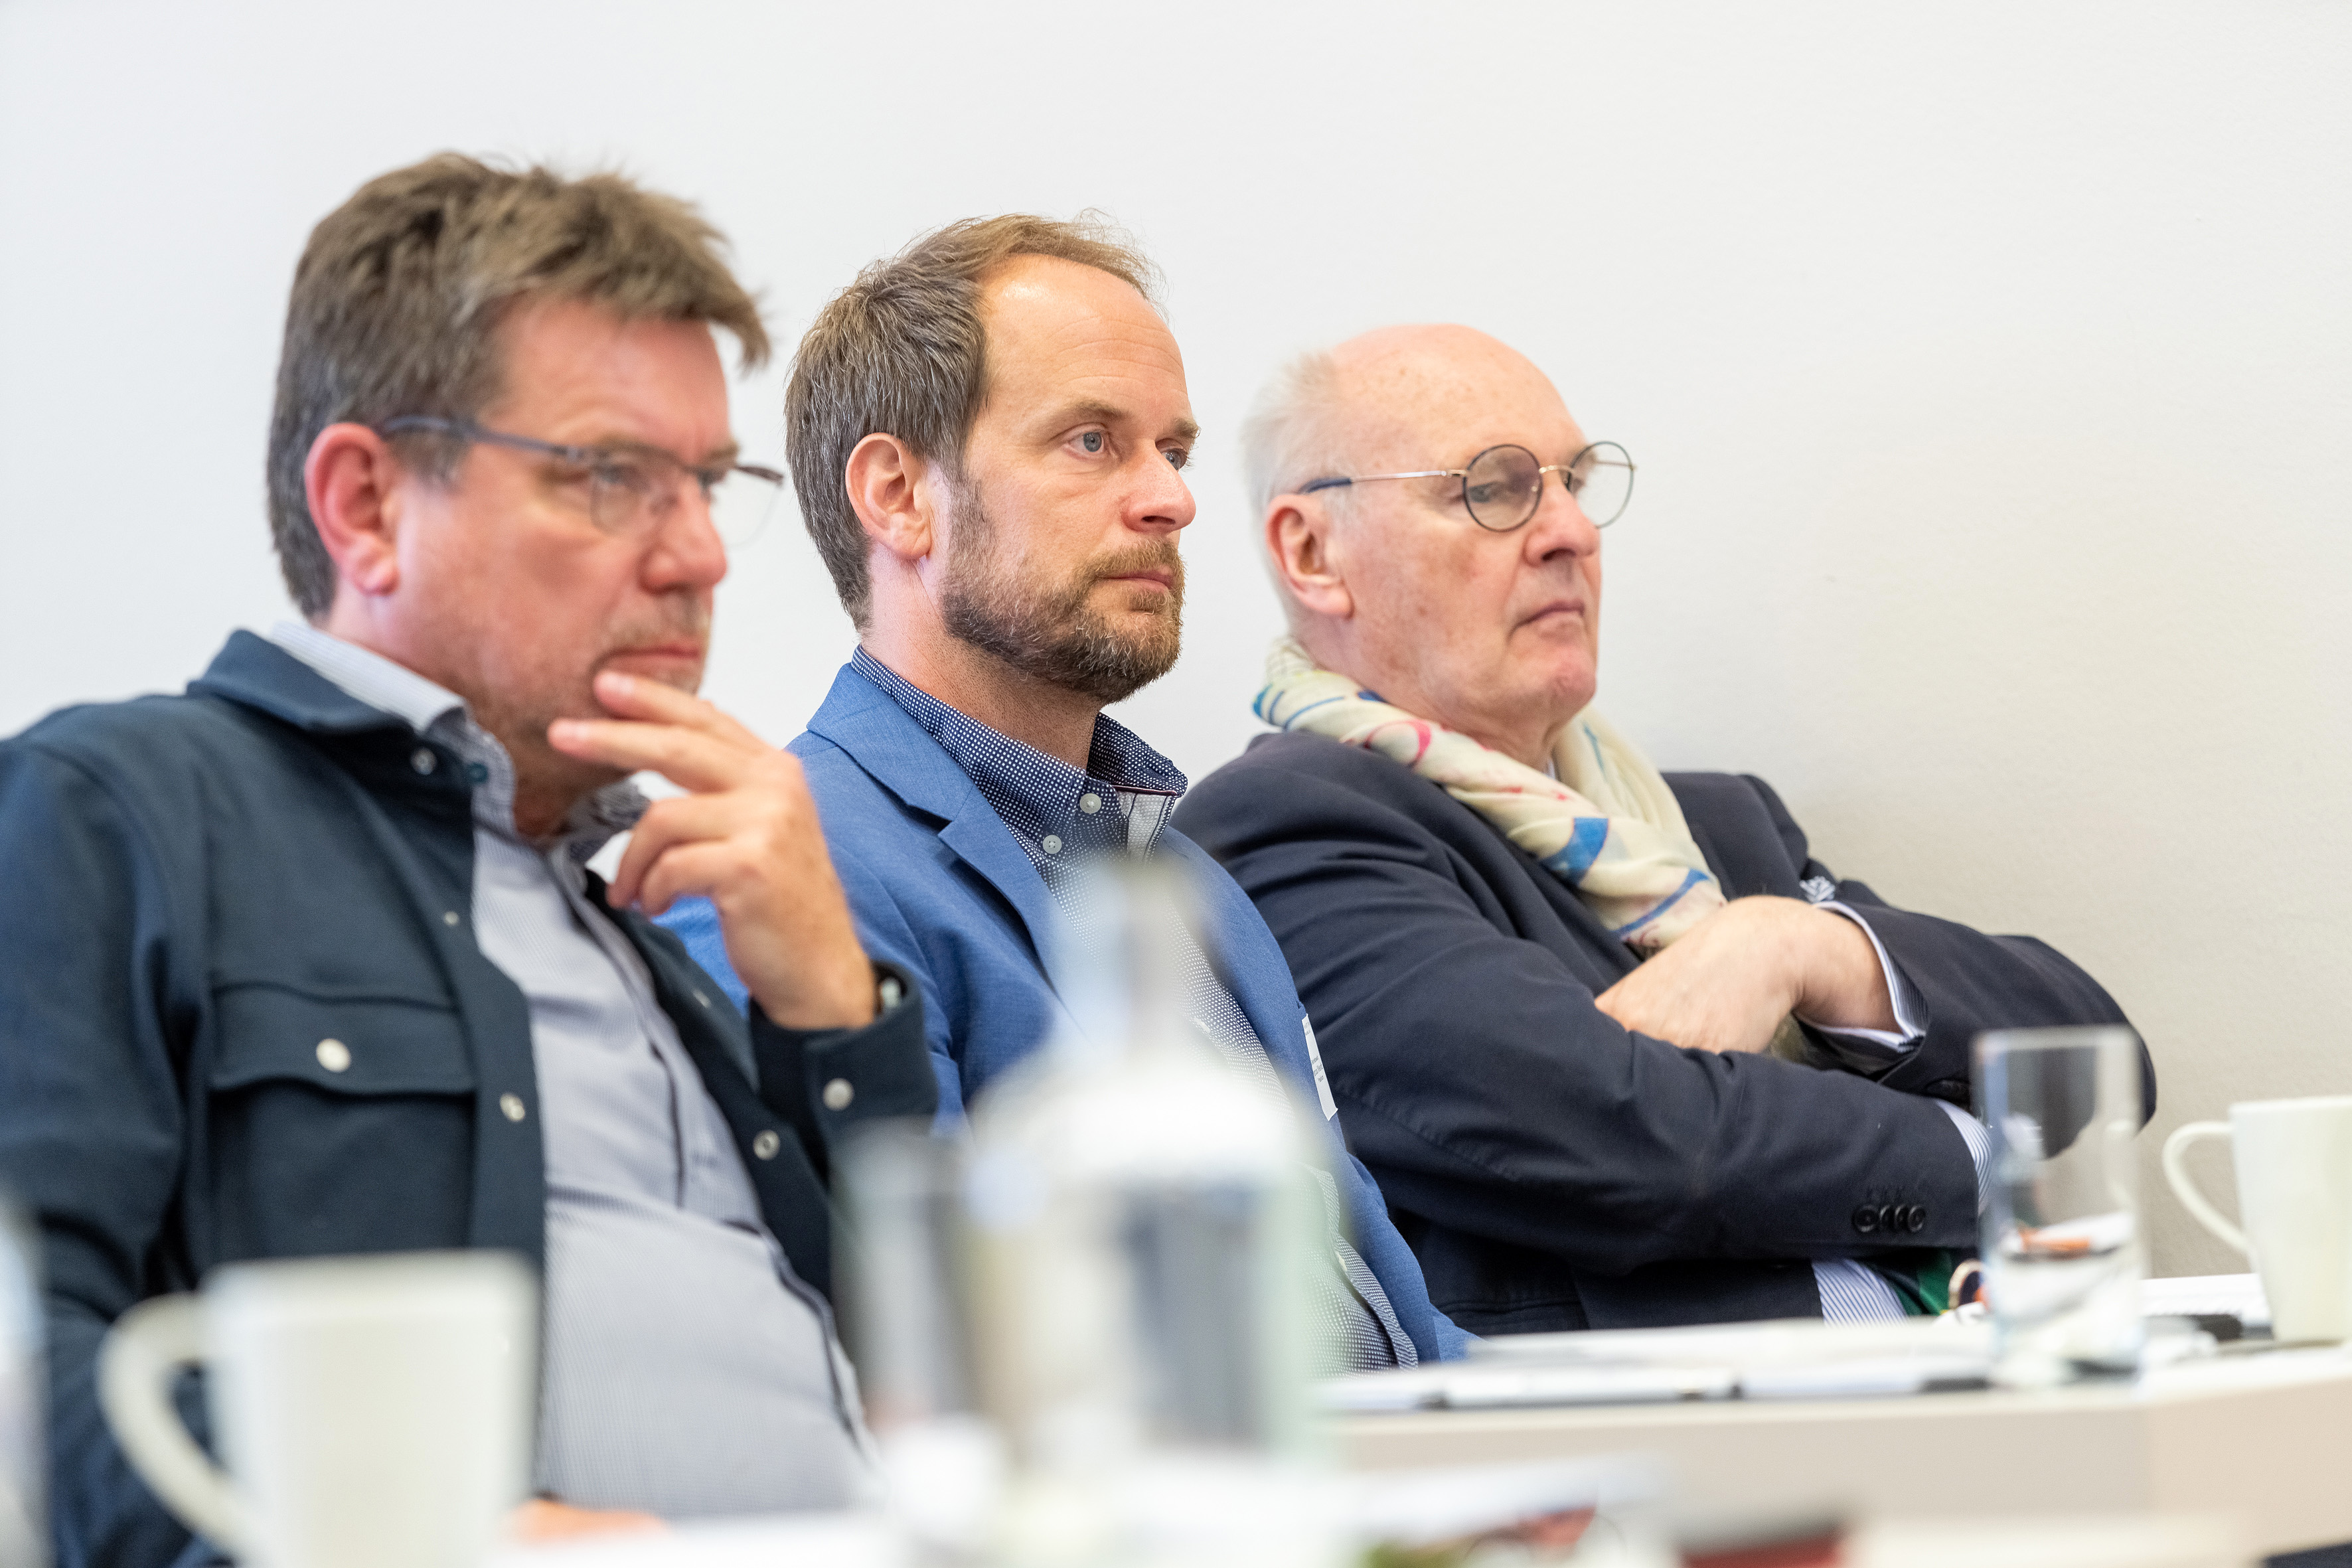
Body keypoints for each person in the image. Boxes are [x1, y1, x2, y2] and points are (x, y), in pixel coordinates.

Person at [0, 156, 937, 1567]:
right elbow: (20, 1359)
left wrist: (835, 1016)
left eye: (705, 482)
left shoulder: (643, 915)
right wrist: (411, 1531)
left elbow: (936, 1375)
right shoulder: (119, 809)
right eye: (610, 476)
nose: (700, 555)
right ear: (366, 505)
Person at [1172, 325, 2152, 1335]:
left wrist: (1795, 944)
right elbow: (1629, 1141)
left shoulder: (1716, 827)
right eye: (1495, 489)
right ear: (1314, 553)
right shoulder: (1286, 823)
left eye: (1575, 483)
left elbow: (2094, 1061)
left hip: (1961, 1375)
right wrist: (1997, 1155)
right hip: (1676, 1424)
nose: (1571, 532)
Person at [663, 216, 1463, 1368]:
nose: (1171, 500)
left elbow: (1396, 1328)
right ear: (898, 494)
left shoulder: (1185, 881)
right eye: (1093, 441)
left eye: (1173, 451)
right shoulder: (789, 873)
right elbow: (915, 1355)